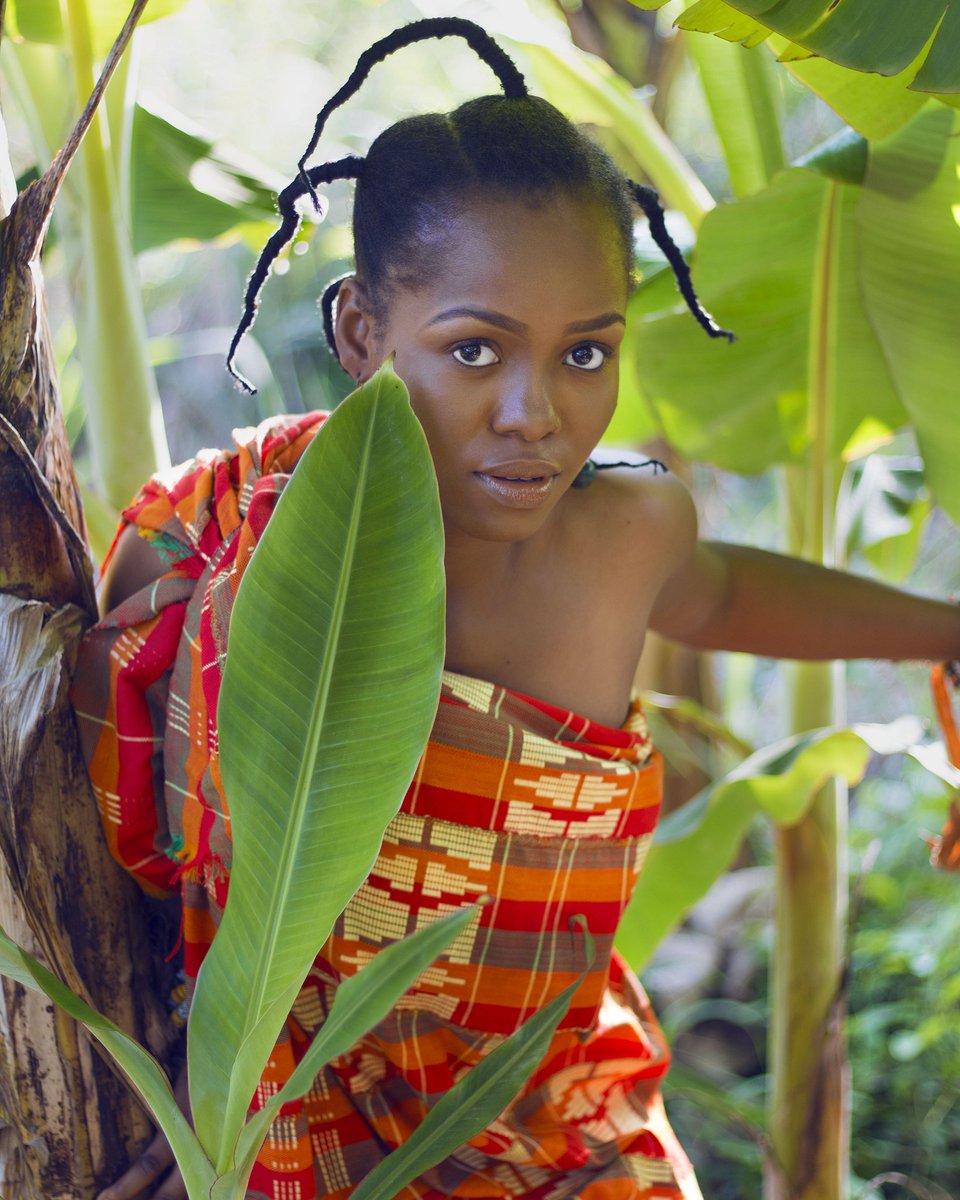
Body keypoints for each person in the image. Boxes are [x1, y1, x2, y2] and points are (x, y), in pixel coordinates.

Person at [70, 17, 960, 1200]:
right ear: (359, 332)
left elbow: (727, 592)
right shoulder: (239, 537)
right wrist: (195, 1110)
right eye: (477, 350)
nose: (535, 412)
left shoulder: (628, 533)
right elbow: (109, 818)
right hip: (279, 1115)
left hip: (556, 1115)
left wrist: (944, 628)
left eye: (586, 356)